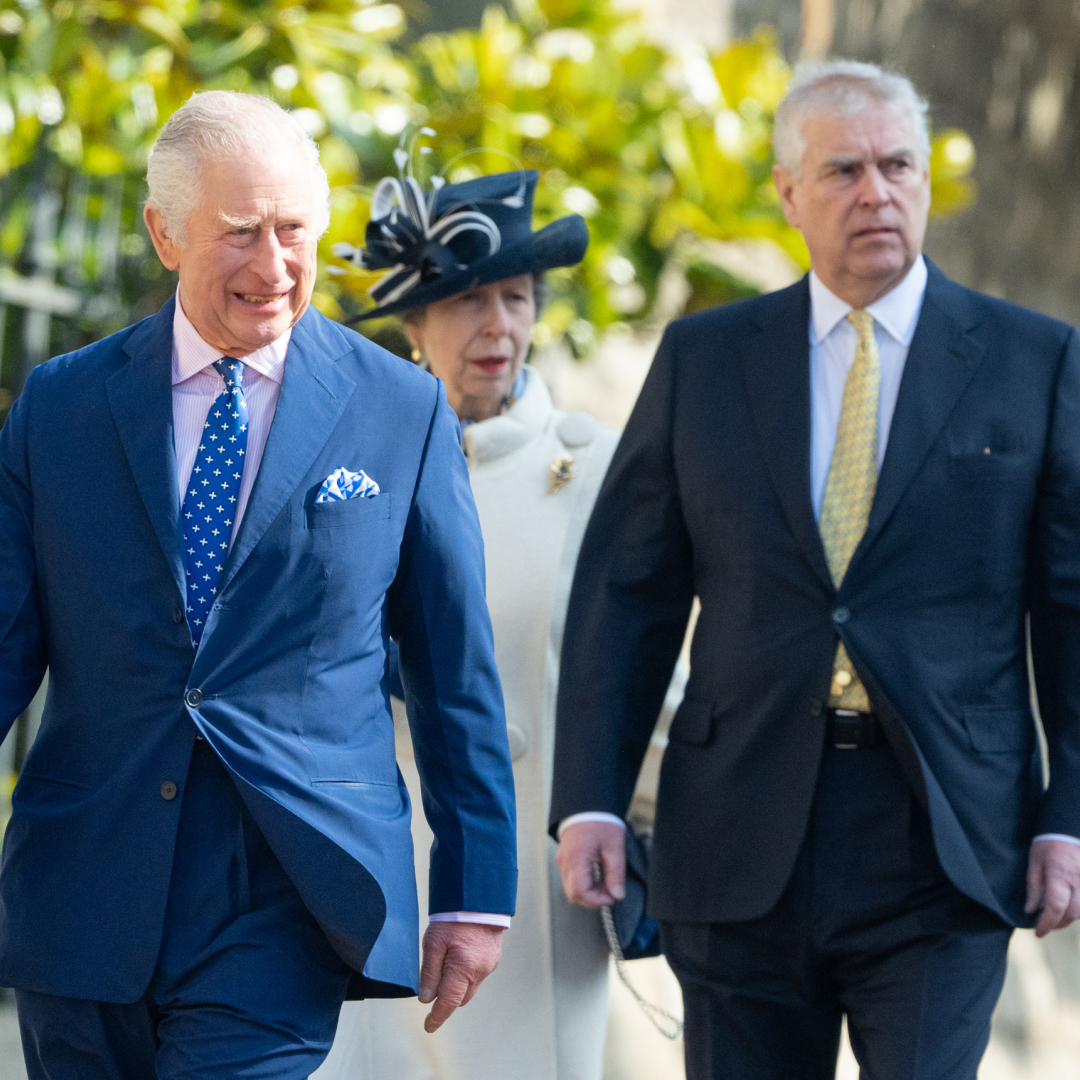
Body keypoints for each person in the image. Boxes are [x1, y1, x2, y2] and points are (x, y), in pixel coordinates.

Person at [550, 59, 1080, 1080]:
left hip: (943, 838)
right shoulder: (705, 360)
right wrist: (592, 798)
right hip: (738, 825)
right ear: (789, 192)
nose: (877, 193)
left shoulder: (1035, 362)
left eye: (897, 166)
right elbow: (628, 594)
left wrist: (1069, 818)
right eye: (844, 171)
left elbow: (1071, 618)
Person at [0, 90, 518, 1079]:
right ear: (164, 232)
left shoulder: (399, 409)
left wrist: (472, 888)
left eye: (294, 231)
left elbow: (455, 670)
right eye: (241, 234)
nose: (275, 267)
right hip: (85, 879)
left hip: (288, 882)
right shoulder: (61, 407)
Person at [316, 166, 618, 1080]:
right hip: (384, 845)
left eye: (516, 297)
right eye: (467, 301)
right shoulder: (350, 466)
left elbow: (643, 669)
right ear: (415, 323)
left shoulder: (595, 466)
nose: (498, 326)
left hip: (537, 863)